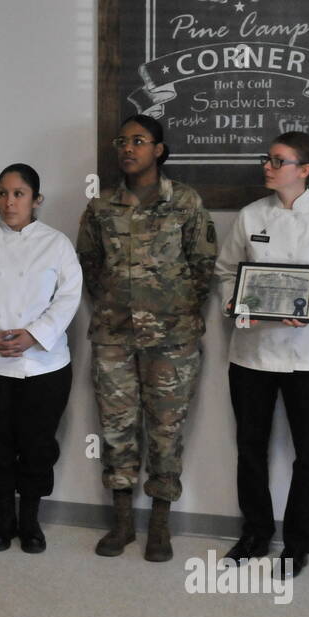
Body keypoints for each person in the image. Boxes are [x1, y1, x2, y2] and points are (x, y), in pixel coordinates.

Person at [213, 132, 309, 576]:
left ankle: (298, 545)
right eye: (267, 159)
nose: (267, 166)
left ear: (305, 170)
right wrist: (233, 302)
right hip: (252, 354)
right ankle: (255, 533)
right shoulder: (249, 216)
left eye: (278, 160)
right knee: (250, 448)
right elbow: (225, 273)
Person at [76, 114, 217, 561]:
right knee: (116, 429)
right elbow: (90, 267)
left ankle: (160, 523)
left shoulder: (187, 203)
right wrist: (122, 305)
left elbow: (203, 266)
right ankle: (121, 523)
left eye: (139, 141)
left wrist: (168, 308)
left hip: (173, 339)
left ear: (159, 149)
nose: (128, 148)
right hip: (114, 337)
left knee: (166, 430)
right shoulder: (99, 208)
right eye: (122, 141)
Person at [0, 164, 82, 552]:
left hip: (44, 366)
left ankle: (30, 520)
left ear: (36, 200)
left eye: (18, 193)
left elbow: (68, 296)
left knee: (38, 445)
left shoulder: (57, 244)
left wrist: (34, 335)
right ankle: (2, 519)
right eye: (2, 193)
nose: (9, 201)